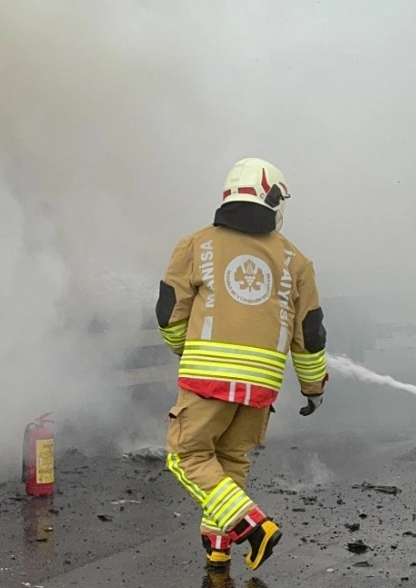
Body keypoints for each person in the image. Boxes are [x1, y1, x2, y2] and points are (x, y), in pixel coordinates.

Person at [156, 157, 328, 572]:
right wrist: (312, 387)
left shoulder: (195, 245)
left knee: (187, 456)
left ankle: (253, 527)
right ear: (272, 200)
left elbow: (169, 313)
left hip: (206, 380)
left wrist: (184, 349)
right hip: (260, 386)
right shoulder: (296, 261)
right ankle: (219, 548)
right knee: (229, 462)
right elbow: (310, 334)